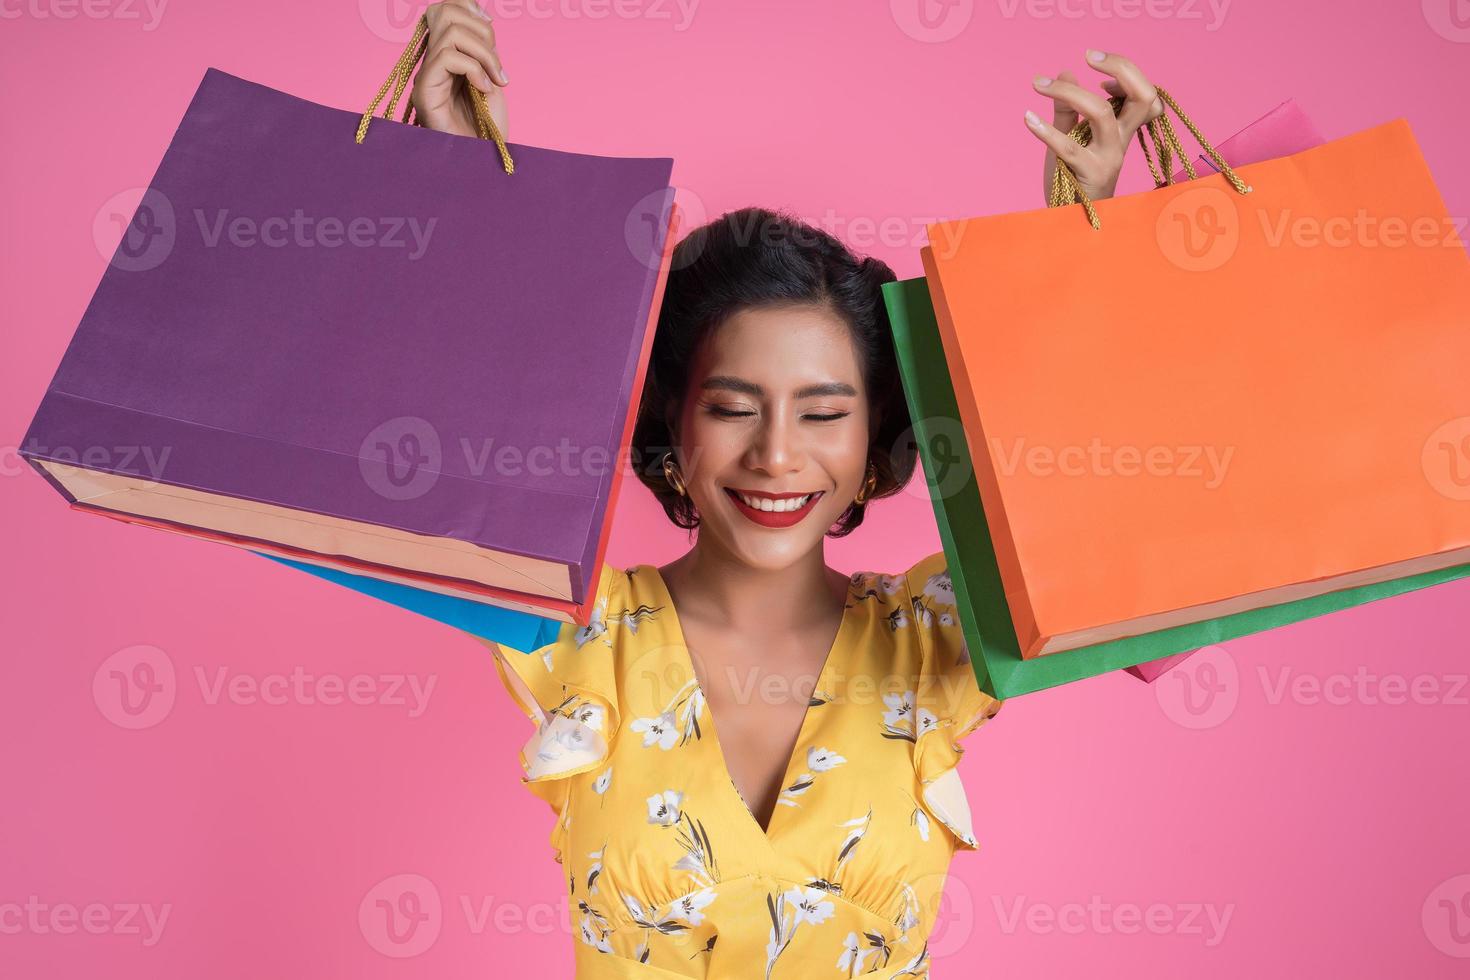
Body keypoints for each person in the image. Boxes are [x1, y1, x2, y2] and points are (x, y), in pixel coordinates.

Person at [410, 3, 1164, 975]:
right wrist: (461, 193)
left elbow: (1105, 518)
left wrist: (1083, 256)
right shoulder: (581, 634)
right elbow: (455, 452)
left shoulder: (939, 638)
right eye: (733, 406)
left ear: (871, 439)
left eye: (821, 412)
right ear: (673, 424)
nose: (777, 452)